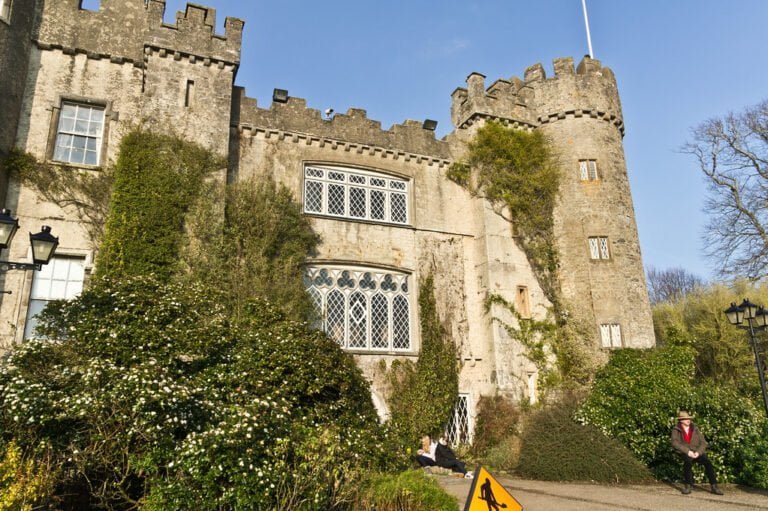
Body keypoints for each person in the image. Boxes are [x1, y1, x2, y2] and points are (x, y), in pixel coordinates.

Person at [670, 410, 723, 495]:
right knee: (688, 462)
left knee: (708, 462)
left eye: (689, 418)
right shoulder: (676, 429)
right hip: (685, 452)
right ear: (681, 420)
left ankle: (714, 486)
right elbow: (674, 443)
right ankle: (688, 486)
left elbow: (703, 442)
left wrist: (698, 452)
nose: (688, 420)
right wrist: (687, 452)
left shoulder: (695, 428)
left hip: (696, 452)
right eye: (686, 419)